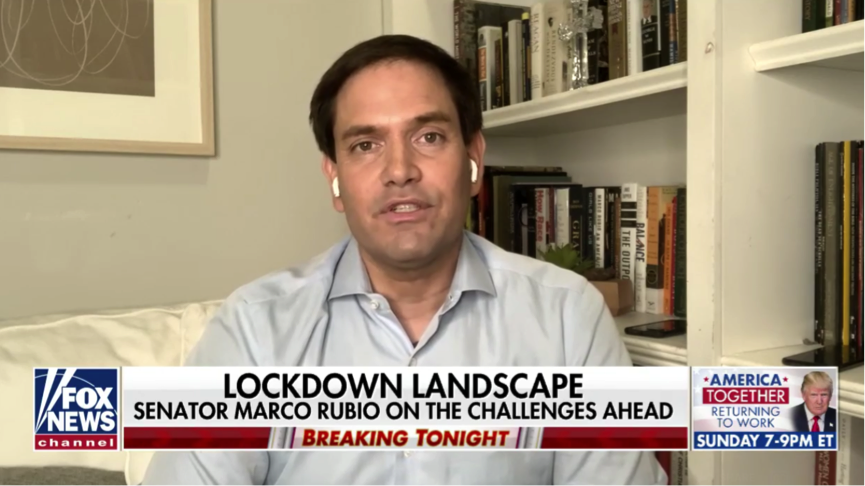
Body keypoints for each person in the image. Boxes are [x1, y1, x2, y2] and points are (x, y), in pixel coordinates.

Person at [142, 34, 666, 486]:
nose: (400, 170)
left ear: (473, 160)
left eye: (428, 137)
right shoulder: (255, 329)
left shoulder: (568, 317)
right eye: (365, 145)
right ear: (334, 178)